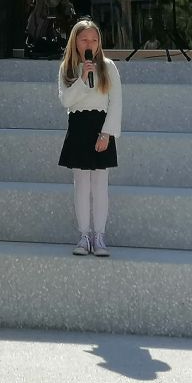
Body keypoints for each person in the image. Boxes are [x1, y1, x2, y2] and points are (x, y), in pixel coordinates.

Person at [57, 18, 121, 257]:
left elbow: (116, 102)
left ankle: (99, 235)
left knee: (100, 186)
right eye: (84, 39)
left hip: (100, 127)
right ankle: (84, 235)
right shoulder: (67, 69)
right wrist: (83, 79)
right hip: (78, 128)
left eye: (94, 40)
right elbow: (66, 100)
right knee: (81, 185)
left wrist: (107, 133)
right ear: (75, 42)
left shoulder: (108, 67)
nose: (89, 43)